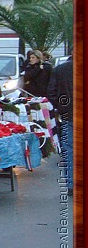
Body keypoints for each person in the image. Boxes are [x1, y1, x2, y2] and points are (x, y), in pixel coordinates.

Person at [47, 51, 73, 195]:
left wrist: (60, 107)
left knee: (69, 149)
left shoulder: (60, 70)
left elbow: (51, 92)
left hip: (69, 114)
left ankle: (71, 183)